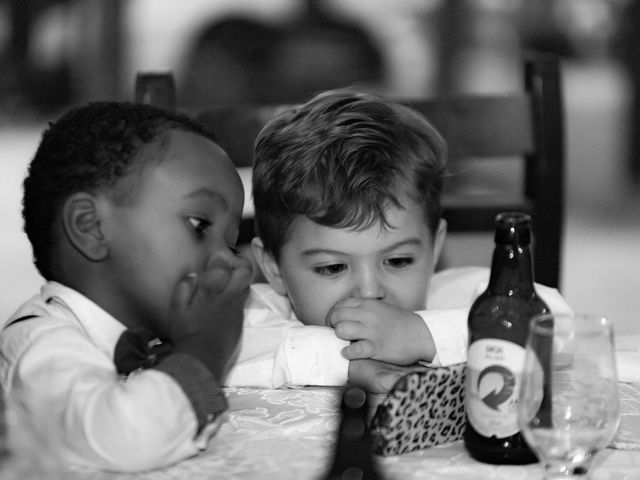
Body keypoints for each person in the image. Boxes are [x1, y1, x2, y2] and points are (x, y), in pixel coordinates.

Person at [226, 88, 571, 391]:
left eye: (398, 261)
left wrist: (423, 335)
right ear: (273, 267)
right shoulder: (254, 313)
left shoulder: (458, 296)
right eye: (332, 267)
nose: (369, 290)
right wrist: (346, 362)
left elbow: (558, 324)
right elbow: (198, 347)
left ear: (434, 248)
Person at [0, 102, 253, 472]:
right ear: (90, 227)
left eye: (231, 242)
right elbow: (127, 438)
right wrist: (203, 351)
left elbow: (270, 345)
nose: (231, 261)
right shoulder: (40, 347)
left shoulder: (154, 328)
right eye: (199, 225)